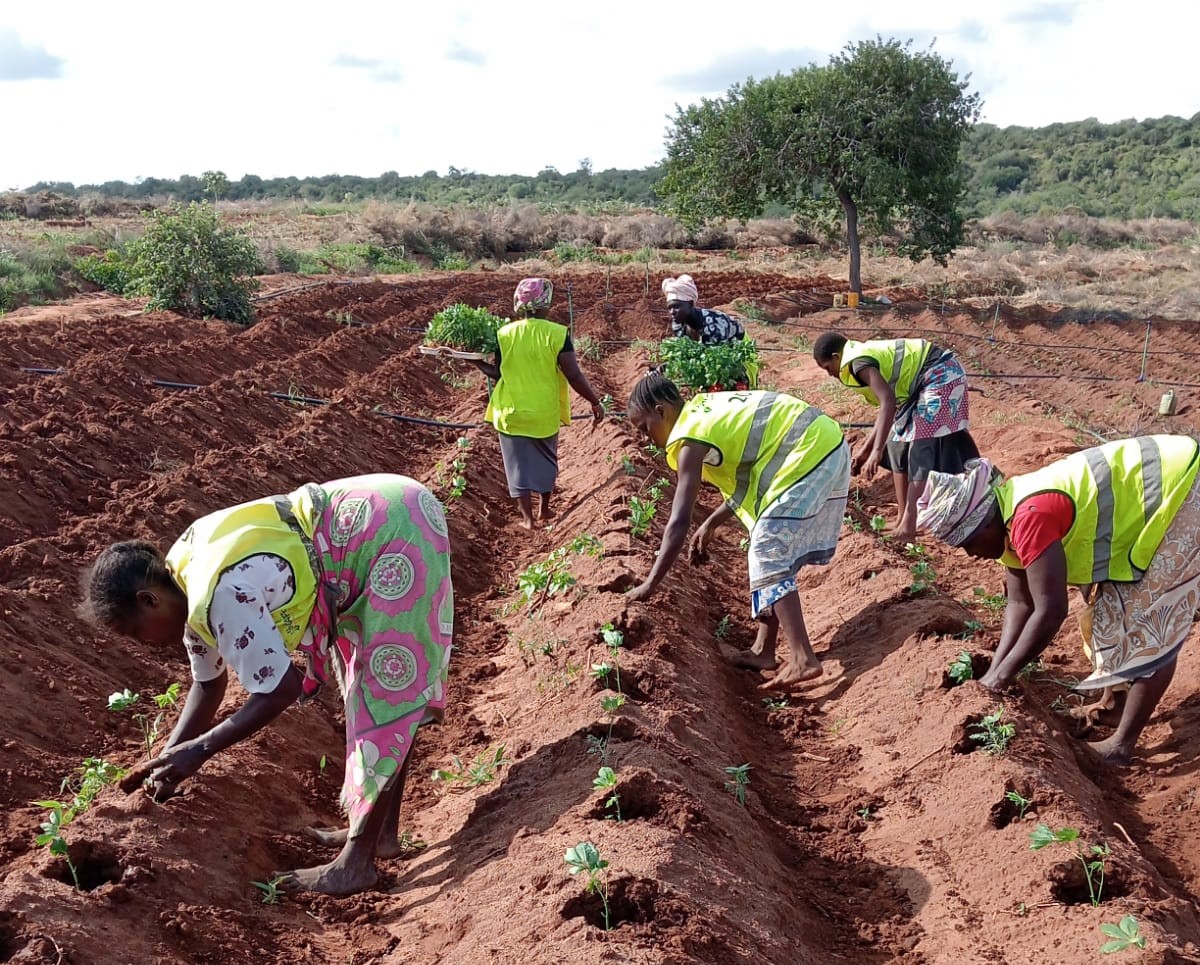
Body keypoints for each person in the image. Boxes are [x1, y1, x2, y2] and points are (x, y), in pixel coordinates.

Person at [81, 473, 454, 894]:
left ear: (148, 601)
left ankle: (357, 862)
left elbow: (280, 689)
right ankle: (379, 835)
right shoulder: (183, 581)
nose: (143, 644)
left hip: (389, 528)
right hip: (360, 524)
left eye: (135, 632)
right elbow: (208, 685)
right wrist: (167, 762)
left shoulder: (217, 594)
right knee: (364, 689)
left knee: (384, 687)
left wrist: (200, 751)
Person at [916, 435, 1200, 764]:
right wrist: (994, 672)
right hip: (1144, 502)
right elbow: (1020, 604)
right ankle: (1115, 707)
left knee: (1151, 627)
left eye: (969, 542)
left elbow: (1051, 610)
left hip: (1178, 486)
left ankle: (1122, 746)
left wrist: (1002, 678)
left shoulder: (1027, 516)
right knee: (1106, 620)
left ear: (984, 521)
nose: (970, 554)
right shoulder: (1004, 517)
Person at [624, 373, 850, 689]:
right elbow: (747, 478)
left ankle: (802, 658)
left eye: (644, 427)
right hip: (815, 443)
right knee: (766, 542)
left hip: (811, 449)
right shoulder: (701, 413)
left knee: (768, 545)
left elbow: (678, 521)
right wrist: (712, 522)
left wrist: (650, 584)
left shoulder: (690, 438)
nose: (645, 438)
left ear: (661, 411)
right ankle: (763, 650)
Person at [812, 332, 979, 543]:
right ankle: (901, 518)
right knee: (897, 446)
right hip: (918, 385)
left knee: (920, 448)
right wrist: (865, 451)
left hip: (940, 372)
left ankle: (909, 525)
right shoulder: (853, 360)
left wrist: (875, 451)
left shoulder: (857, 363)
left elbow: (887, 402)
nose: (830, 375)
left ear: (837, 357)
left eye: (828, 368)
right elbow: (887, 411)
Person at [471, 278, 604, 530]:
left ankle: (527, 519)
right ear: (546, 304)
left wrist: (475, 361)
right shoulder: (557, 334)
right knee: (546, 459)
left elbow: (498, 373)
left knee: (517, 465)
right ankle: (544, 509)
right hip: (544, 410)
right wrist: (595, 402)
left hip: (510, 412)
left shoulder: (504, 334)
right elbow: (574, 375)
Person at [662, 274, 745, 345]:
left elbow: (716, 359)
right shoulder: (677, 325)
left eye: (676, 306)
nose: (672, 312)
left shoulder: (713, 326)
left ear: (690, 304)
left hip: (742, 349)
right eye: (669, 308)